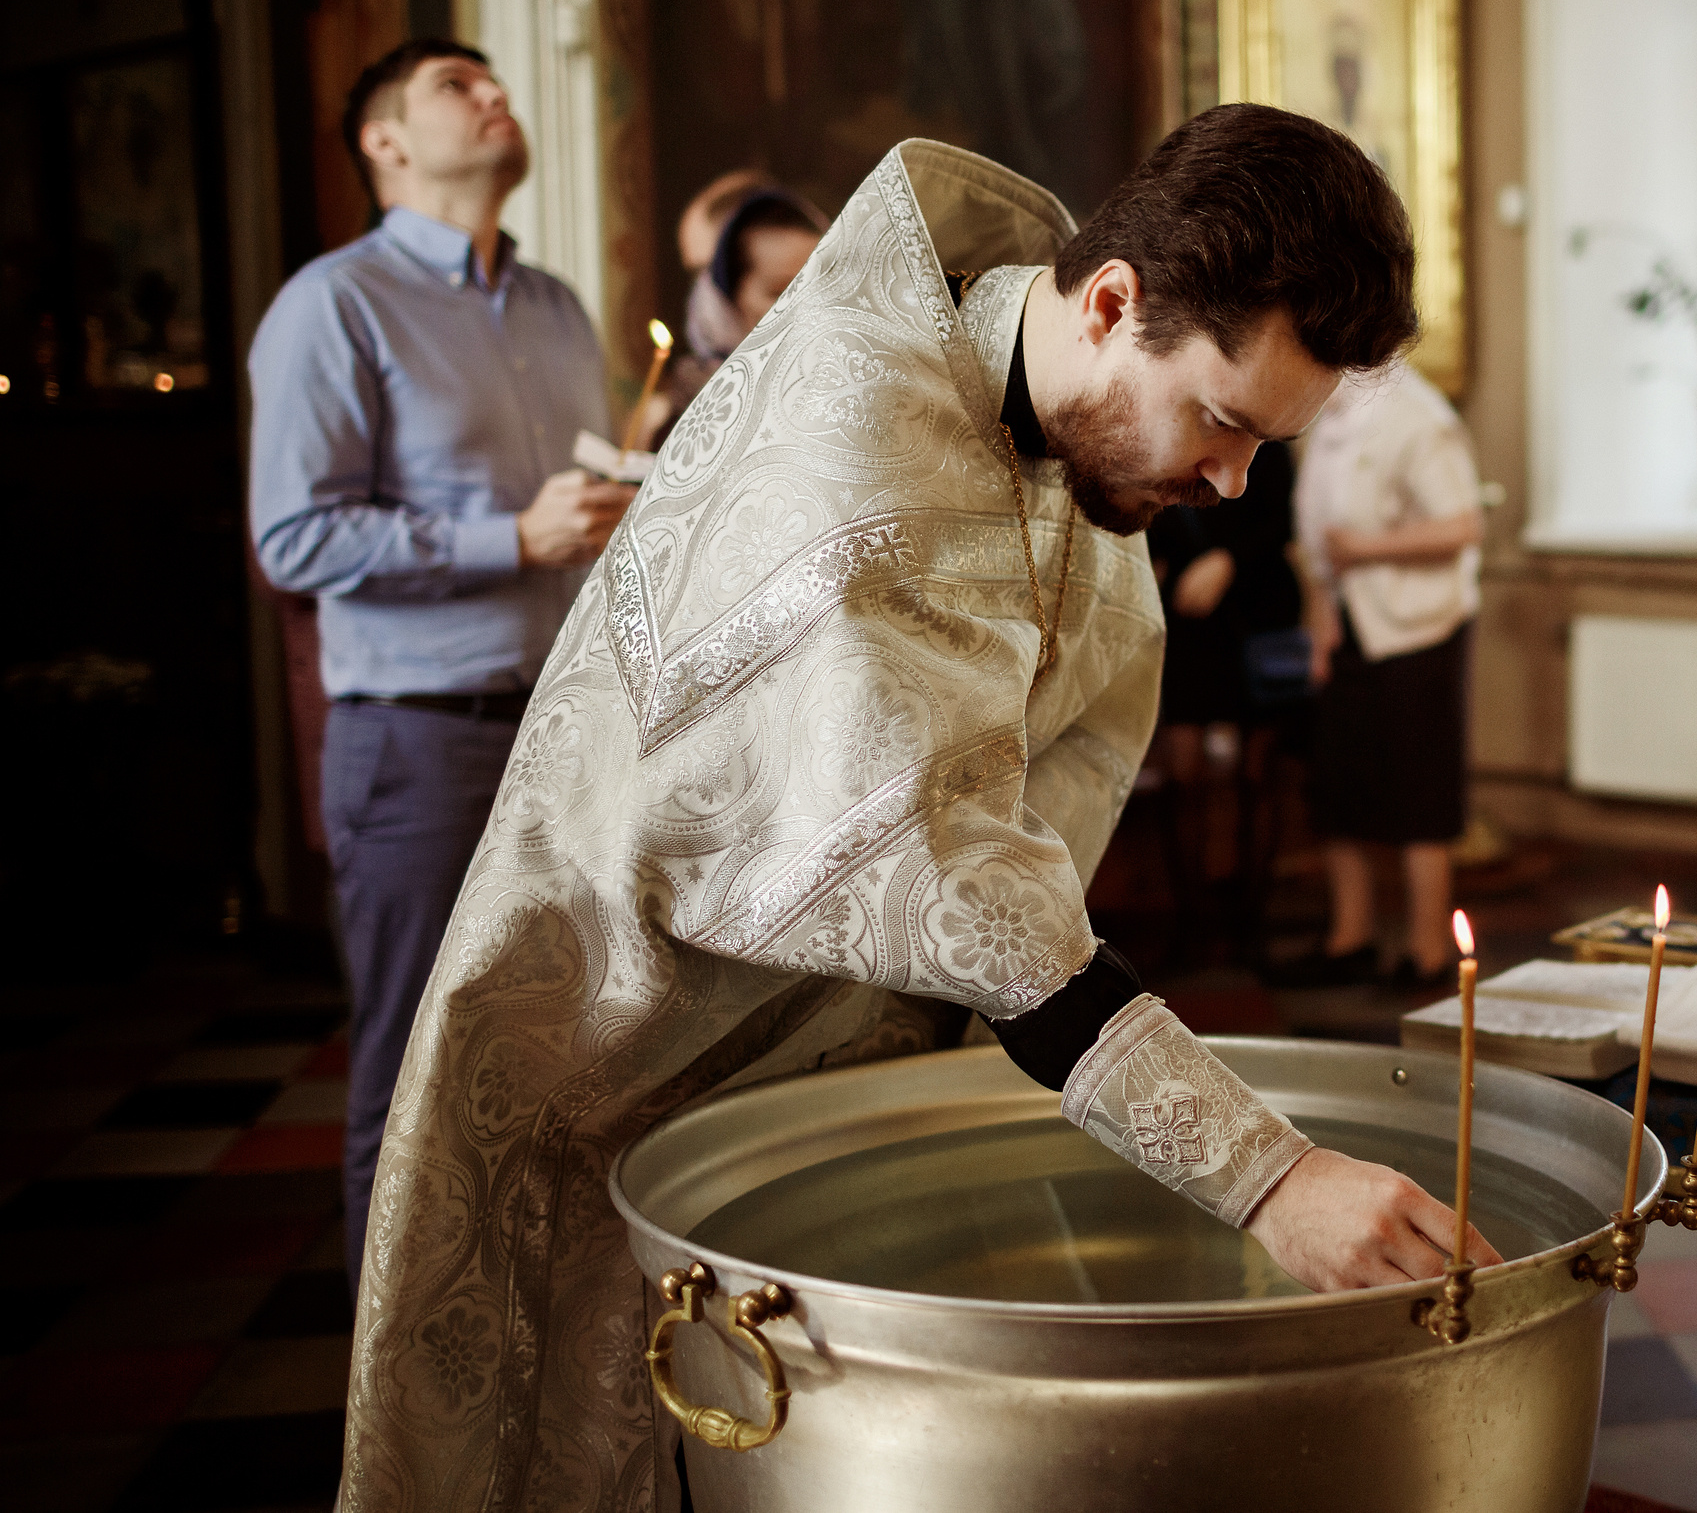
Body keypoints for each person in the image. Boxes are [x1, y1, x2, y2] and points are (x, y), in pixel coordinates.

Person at [341, 105, 1498, 1510]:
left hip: (829, 1072)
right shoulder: (856, 449)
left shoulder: (1050, 401)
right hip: (621, 1076)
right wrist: (1270, 1175)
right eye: (1223, 420)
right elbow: (951, 874)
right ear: (1116, 300)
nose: (1230, 481)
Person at [246, 39, 634, 1279]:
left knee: (564, 1060)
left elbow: (570, 516)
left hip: (563, 737)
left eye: (496, 80)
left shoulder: (556, 304)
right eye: (457, 86)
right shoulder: (335, 302)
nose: (495, 94)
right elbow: (293, 535)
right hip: (419, 739)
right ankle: (394, 1424)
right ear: (386, 143)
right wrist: (511, 536)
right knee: (412, 1077)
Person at [1286, 362, 1485, 988]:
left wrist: (1364, 550)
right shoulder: (1330, 416)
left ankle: (1428, 953)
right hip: (1349, 627)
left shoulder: (1418, 418)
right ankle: (1352, 939)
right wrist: (1321, 623)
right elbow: (1320, 537)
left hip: (1417, 629)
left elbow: (1464, 526)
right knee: (1341, 787)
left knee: (1417, 792)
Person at [1148, 439, 1303, 952]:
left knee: (1257, 774)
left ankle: (1249, 921)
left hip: (1256, 614)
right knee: (1183, 772)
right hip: (1190, 620)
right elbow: (1150, 525)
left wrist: (1228, 562)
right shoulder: (1170, 432)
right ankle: (1190, 922)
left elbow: (1281, 524)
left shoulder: (1271, 438)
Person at [638, 184, 830, 448]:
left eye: (818, 283)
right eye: (781, 291)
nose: (805, 303)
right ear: (728, 303)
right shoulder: (693, 417)